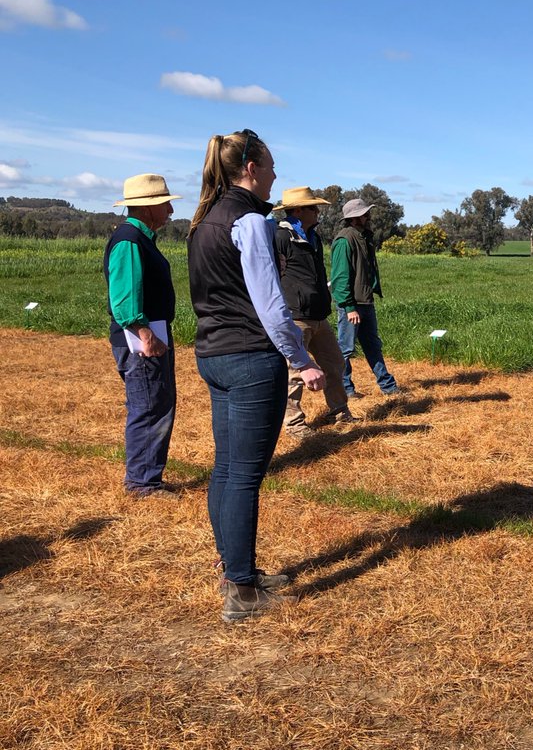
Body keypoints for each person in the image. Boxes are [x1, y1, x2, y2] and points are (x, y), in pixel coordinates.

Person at [187, 129, 325, 623]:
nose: (273, 175)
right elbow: (269, 304)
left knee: (226, 469)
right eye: (269, 167)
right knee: (244, 475)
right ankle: (243, 591)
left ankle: (236, 570)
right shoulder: (248, 220)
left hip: (214, 354)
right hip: (250, 359)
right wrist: (302, 360)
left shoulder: (203, 219)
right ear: (250, 168)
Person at [103, 173, 180, 498]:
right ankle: (141, 483)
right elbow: (123, 299)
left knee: (154, 403)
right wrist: (145, 333)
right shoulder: (129, 241)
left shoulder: (138, 238)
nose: (170, 212)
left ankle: (146, 477)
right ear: (149, 208)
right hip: (141, 340)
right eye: (166, 204)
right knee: (149, 406)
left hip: (147, 336)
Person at [272, 186, 359, 438]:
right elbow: (274, 277)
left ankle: (339, 411)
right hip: (295, 317)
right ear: (298, 210)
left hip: (320, 316)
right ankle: (294, 423)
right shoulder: (281, 237)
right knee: (294, 373)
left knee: (335, 363)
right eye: (312, 207)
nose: (317, 211)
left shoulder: (314, 237)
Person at [331, 197, 400, 398]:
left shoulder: (363, 236)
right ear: (354, 218)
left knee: (373, 346)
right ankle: (345, 389)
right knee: (345, 349)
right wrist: (349, 307)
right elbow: (340, 277)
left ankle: (389, 387)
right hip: (352, 305)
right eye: (364, 214)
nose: (368, 216)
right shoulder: (345, 240)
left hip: (365, 301)